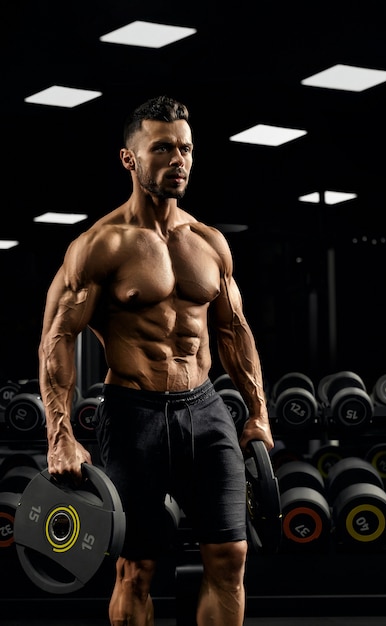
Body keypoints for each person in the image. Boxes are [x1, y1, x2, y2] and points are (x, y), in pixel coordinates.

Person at [38, 94, 274, 626]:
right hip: (133, 414)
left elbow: (235, 331)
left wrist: (258, 411)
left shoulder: (208, 242)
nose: (178, 160)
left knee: (230, 557)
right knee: (136, 568)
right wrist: (59, 434)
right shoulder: (101, 245)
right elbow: (57, 338)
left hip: (208, 409)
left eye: (186, 148)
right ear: (130, 159)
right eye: (163, 148)